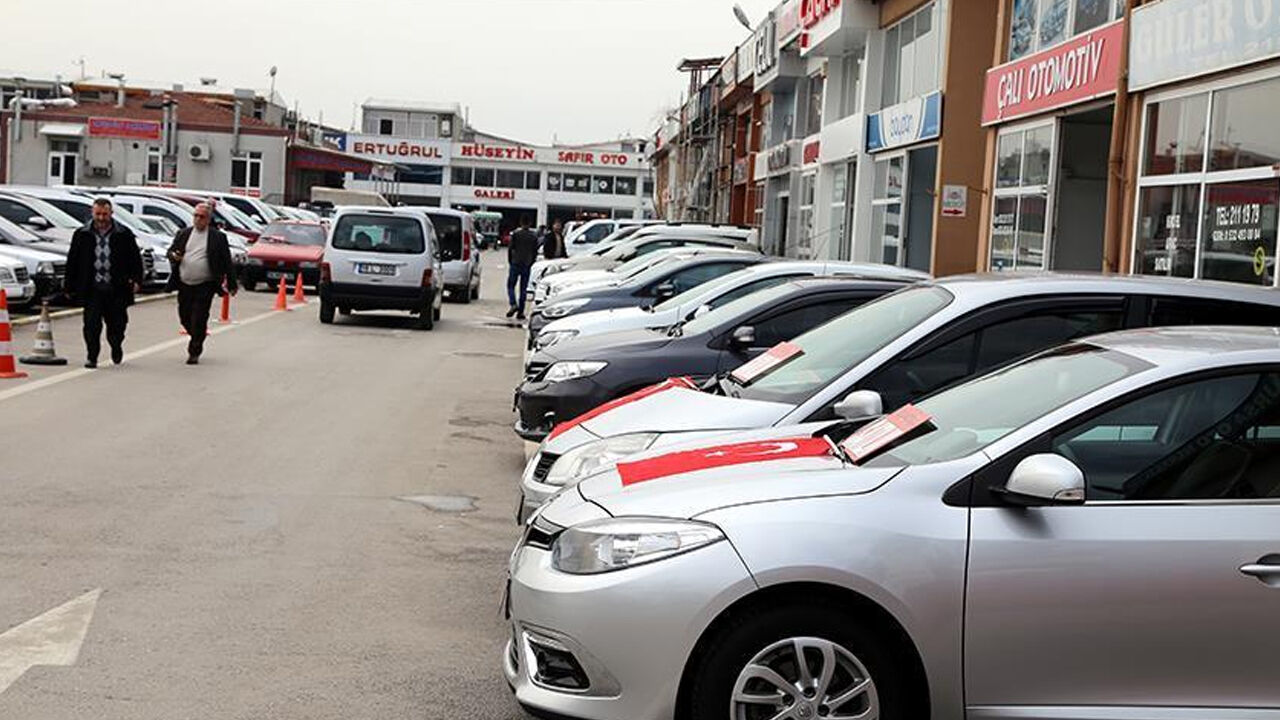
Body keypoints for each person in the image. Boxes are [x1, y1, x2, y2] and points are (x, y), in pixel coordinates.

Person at [65, 197, 144, 369]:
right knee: (91, 325)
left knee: (117, 324)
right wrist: (69, 286)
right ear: (92, 214)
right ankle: (92, 356)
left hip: (116, 287)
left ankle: (116, 346)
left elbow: (135, 259)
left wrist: (137, 279)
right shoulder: (82, 234)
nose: (101, 218)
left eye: (105, 214)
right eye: (98, 214)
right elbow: (73, 261)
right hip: (92, 288)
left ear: (111, 214)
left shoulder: (123, 233)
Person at [166, 203, 239, 365]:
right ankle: (197, 335)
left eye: (202, 217)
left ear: (208, 219)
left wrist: (232, 284)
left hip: (205, 284)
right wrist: (174, 256)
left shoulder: (217, 237)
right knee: (185, 316)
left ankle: (194, 350)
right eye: (196, 216)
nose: (198, 220)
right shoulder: (184, 234)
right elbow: (170, 252)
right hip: (184, 283)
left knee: (199, 316)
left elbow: (227, 262)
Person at [506, 216, 540, 320]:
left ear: (521, 223)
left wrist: (510, 260)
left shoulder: (516, 234)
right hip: (527, 264)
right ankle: (521, 311)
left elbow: (510, 248)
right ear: (530, 224)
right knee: (523, 288)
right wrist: (531, 262)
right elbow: (535, 251)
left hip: (516, 262)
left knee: (511, 285)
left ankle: (513, 304)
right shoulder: (533, 236)